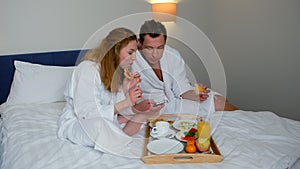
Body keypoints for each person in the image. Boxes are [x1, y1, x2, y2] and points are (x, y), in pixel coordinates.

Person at [57, 27, 163, 157]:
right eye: (130, 52)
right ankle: (123, 135)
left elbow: (114, 107)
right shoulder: (88, 70)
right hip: (80, 122)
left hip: (105, 118)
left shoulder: (116, 72)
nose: (134, 58)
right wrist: (127, 102)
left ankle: (122, 129)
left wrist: (126, 90)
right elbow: (87, 114)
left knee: (149, 112)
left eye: (135, 53)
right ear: (115, 51)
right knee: (99, 126)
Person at [132, 20, 238, 116]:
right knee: (216, 104)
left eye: (160, 48)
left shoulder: (172, 55)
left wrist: (195, 95)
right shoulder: (131, 60)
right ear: (139, 42)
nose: (155, 54)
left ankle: (247, 121)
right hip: (154, 107)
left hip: (175, 98)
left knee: (220, 100)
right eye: (149, 48)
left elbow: (181, 86)